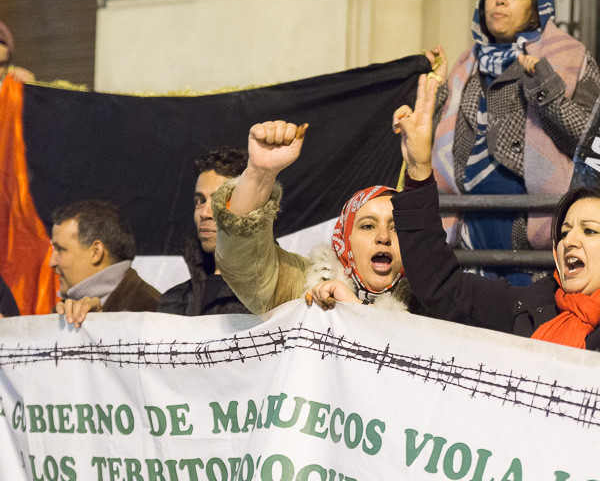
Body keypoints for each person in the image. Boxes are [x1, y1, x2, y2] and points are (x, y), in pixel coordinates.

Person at [390, 72, 600, 369]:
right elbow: (442, 287)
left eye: (591, 230)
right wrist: (420, 172)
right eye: (564, 231)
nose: (570, 240)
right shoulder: (532, 303)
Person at [427, 0, 600, 284]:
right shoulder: (465, 64)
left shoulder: (569, 56)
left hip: (535, 243)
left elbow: (590, 140)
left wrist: (544, 87)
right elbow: (430, 146)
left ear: (537, 8)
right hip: (470, 240)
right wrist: (433, 92)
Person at [211, 121, 415, 314]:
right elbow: (245, 263)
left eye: (396, 227)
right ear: (346, 239)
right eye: (368, 226)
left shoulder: (430, 297)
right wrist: (259, 173)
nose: (383, 237)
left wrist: (354, 308)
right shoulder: (307, 282)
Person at [157, 148, 250, 316]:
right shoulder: (171, 304)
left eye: (219, 200)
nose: (204, 213)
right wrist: (100, 319)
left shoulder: (283, 296)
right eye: (200, 201)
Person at [49, 200, 160, 327]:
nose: (51, 262)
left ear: (96, 252)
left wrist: (103, 328)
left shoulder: (155, 312)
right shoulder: (62, 313)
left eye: (61, 249)